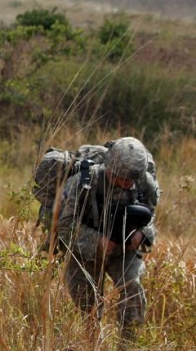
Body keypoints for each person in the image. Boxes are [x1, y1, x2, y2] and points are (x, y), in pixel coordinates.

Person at [55, 136, 160, 340]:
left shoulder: (144, 183)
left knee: (133, 288)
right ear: (111, 169)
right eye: (123, 179)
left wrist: (143, 234)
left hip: (124, 250)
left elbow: (150, 216)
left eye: (132, 180)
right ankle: (91, 348)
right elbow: (65, 225)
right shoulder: (85, 182)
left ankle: (127, 348)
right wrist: (97, 241)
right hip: (84, 251)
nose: (128, 184)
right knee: (87, 306)